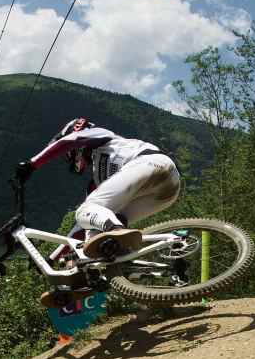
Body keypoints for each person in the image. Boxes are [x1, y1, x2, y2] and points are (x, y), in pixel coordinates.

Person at [26, 117, 182, 307]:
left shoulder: (102, 136)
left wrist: (32, 164)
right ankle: (91, 274)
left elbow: (70, 141)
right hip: (167, 189)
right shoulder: (97, 182)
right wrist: (53, 257)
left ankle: (115, 231)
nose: (69, 158)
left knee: (86, 211)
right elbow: (81, 225)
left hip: (150, 164)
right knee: (92, 223)